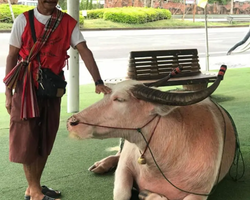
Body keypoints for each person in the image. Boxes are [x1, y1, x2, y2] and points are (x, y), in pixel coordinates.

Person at [4, 1, 111, 200]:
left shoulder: (68, 23)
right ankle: (35, 192)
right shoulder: (23, 20)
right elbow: (11, 56)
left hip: (52, 88)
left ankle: (32, 188)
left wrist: (98, 81)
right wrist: (8, 91)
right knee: (27, 139)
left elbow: (84, 50)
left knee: (45, 137)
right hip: (26, 87)